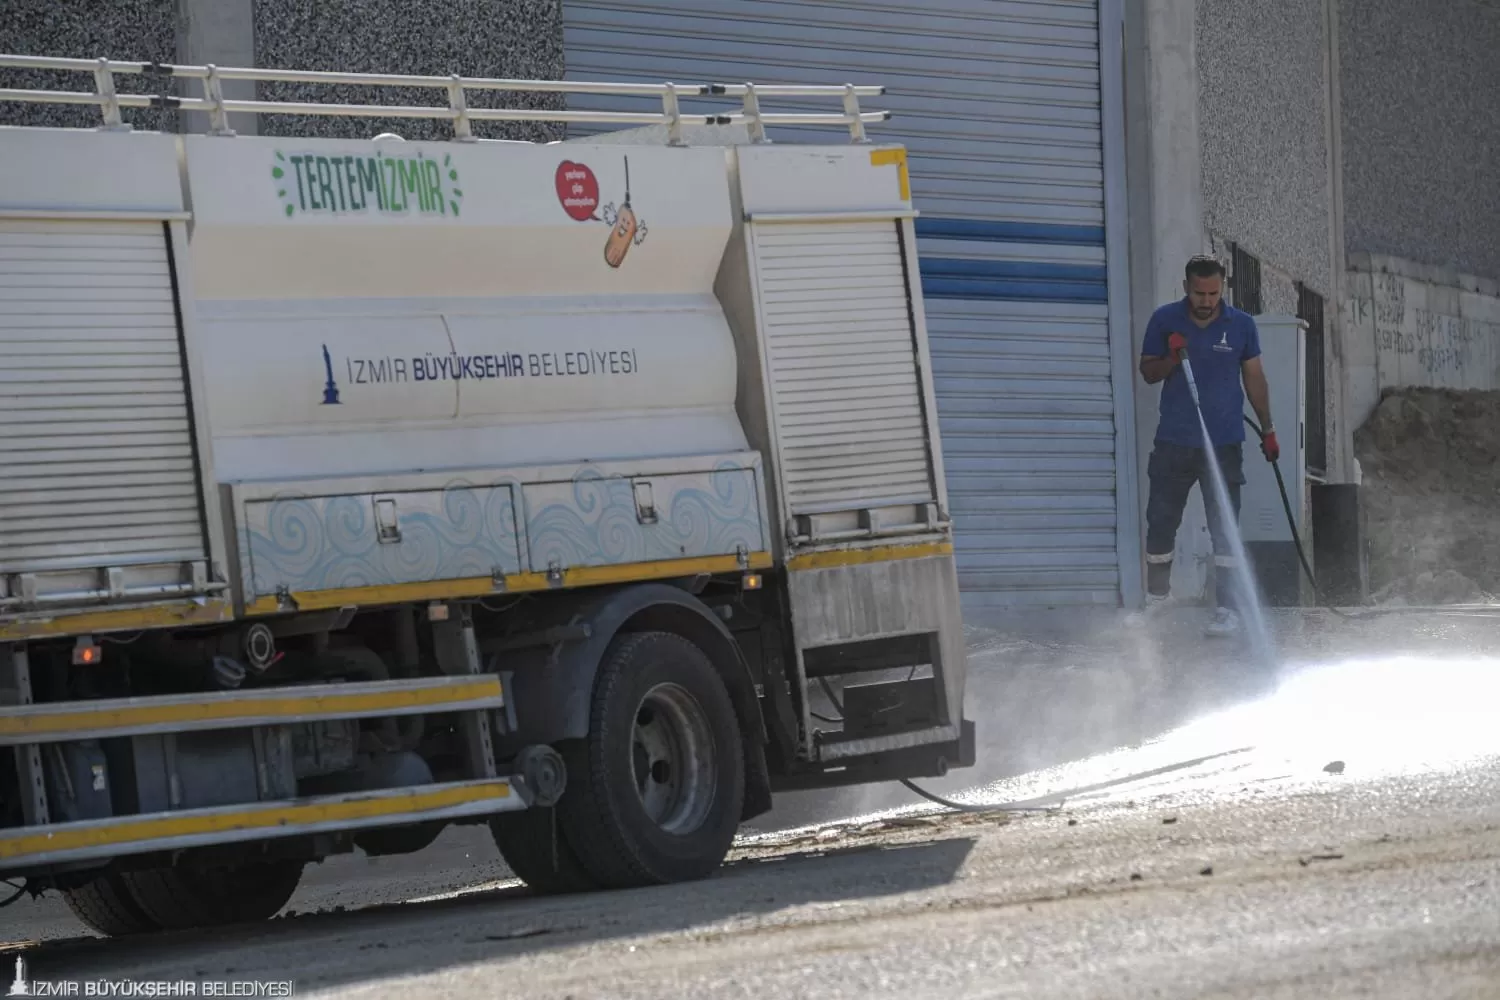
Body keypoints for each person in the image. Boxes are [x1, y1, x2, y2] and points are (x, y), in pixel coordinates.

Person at [1130, 255, 1278, 638]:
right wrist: (1171, 358)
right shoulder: (1165, 320)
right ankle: (1158, 599)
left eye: (1213, 293)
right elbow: (1148, 373)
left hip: (1224, 443)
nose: (1207, 301)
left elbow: (1255, 378)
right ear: (1186, 287)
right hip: (1174, 443)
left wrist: (1269, 429)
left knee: (1224, 528)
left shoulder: (1241, 326)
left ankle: (1227, 609)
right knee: (1161, 521)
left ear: (1222, 289)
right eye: (1200, 293)